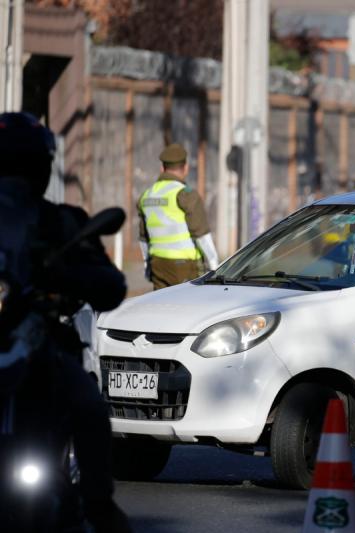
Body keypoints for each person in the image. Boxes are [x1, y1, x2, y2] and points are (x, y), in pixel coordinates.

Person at [0, 112, 131, 531]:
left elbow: (111, 285)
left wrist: (63, 272)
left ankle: (99, 505)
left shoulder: (62, 222)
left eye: (21, 166)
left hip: (39, 353)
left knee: (89, 404)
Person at [138, 143, 219, 289]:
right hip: (184, 265)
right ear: (186, 168)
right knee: (189, 308)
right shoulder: (185, 194)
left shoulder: (147, 195)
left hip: (158, 264)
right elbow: (201, 234)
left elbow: (143, 238)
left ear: (162, 168)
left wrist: (147, 264)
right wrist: (214, 266)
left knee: (162, 307)